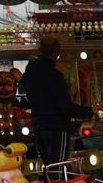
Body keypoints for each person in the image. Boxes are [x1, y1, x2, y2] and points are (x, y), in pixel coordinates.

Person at [20, 37, 88, 167]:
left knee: (48, 167)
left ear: (39, 50)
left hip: (39, 127)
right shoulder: (54, 75)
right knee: (58, 167)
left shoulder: (30, 72)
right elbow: (66, 107)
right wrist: (88, 112)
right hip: (57, 127)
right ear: (57, 53)